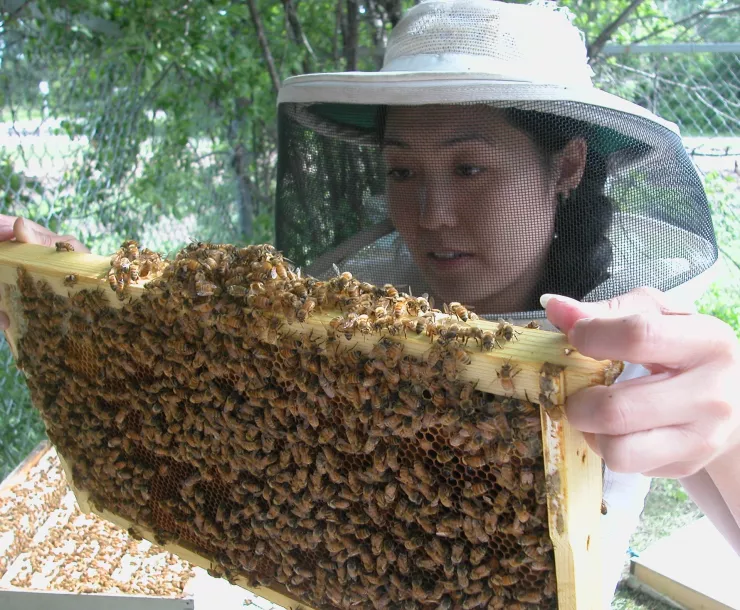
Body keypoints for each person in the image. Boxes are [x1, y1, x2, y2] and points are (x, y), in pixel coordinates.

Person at [1, 0, 739, 607]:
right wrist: (70, 311)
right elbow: (201, 430)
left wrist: (729, 425)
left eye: (471, 166)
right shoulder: (350, 325)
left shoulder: (635, 355)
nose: (432, 211)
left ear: (567, 167)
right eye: (402, 170)